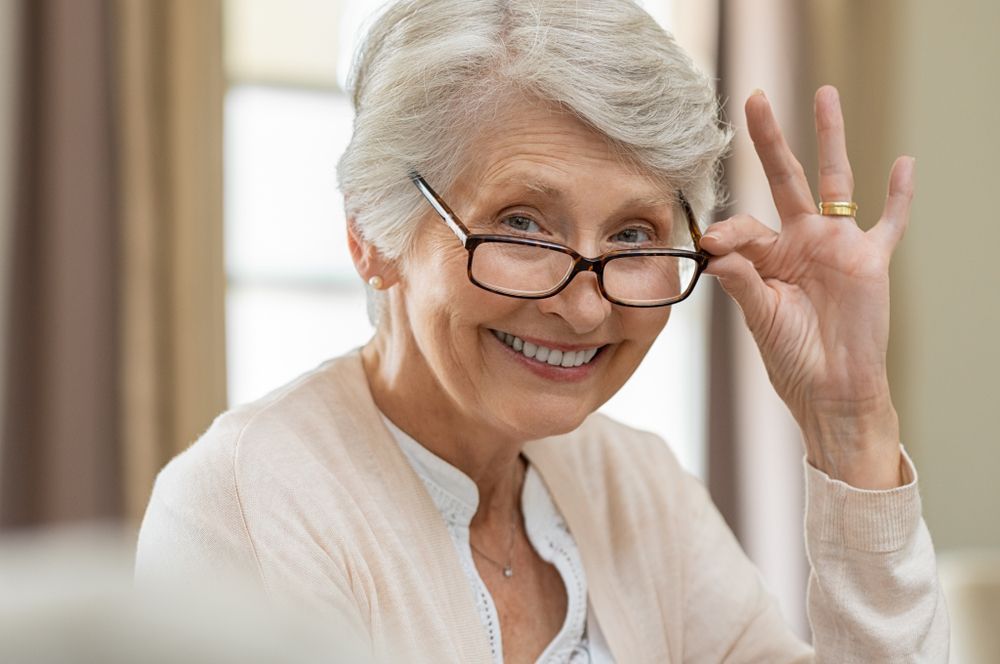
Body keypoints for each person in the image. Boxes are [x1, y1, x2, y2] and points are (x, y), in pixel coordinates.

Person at [136, 1, 949, 661]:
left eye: (633, 234)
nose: (586, 308)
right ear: (370, 236)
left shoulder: (637, 485)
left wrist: (850, 425)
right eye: (521, 224)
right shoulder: (245, 506)